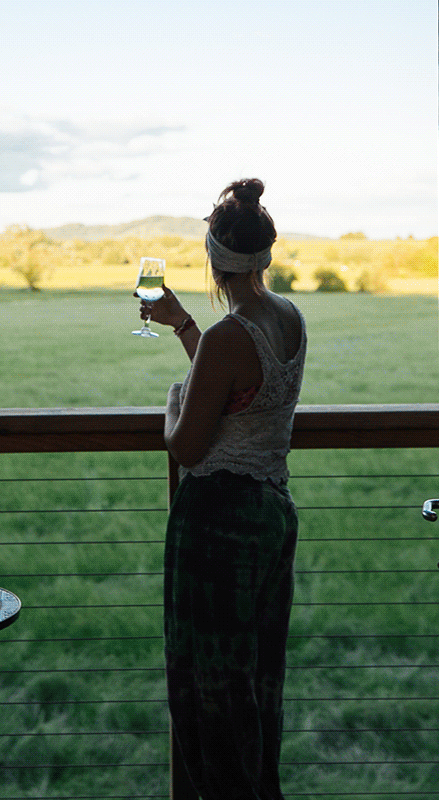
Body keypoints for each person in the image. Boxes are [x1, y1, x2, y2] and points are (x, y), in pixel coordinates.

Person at [137, 178, 307, 800]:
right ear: (263, 254)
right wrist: (186, 324)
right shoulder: (287, 318)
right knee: (257, 677)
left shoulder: (228, 337)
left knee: (208, 688)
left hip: (217, 524)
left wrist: (172, 403)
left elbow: (186, 444)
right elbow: (235, 392)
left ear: (213, 258)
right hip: (272, 512)